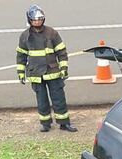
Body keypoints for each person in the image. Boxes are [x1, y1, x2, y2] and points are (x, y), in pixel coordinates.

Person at [16, 5, 77, 133]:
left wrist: (64, 67)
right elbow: (21, 55)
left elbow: (61, 52)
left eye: (40, 19)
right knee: (42, 100)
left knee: (59, 98)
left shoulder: (52, 33)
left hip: (53, 72)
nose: (37, 22)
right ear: (30, 20)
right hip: (36, 74)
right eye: (35, 20)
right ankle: (45, 123)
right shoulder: (25, 36)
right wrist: (21, 72)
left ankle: (64, 123)